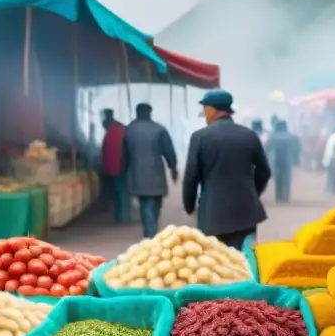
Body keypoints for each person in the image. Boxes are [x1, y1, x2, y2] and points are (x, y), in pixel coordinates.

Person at [183, 90, 271, 249]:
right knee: (243, 261)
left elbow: (191, 177)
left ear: (212, 110)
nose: (204, 115)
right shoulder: (249, 135)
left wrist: (189, 205)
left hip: (213, 214)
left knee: (216, 263)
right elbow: (265, 172)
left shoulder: (200, 137)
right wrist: (251, 193)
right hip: (246, 213)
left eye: (205, 110)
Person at [122, 103, 178, 238]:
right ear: (150, 112)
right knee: (154, 203)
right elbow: (168, 151)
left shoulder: (129, 130)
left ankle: (150, 232)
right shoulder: (159, 129)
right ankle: (151, 234)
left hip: (137, 174)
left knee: (145, 204)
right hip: (156, 173)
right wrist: (173, 167)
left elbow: (124, 155)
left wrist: (125, 173)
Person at [100, 109, 128, 223]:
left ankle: (121, 216)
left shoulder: (114, 131)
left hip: (116, 166)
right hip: (120, 166)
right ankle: (121, 215)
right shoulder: (121, 129)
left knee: (119, 192)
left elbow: (107, 151)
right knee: (120, 191)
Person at [265, 120, 300, 204]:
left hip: (276, 160)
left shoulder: (272, 137)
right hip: (287, 160)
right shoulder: (293, 137)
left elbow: (266, 148)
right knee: (287, 178)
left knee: (278, 179)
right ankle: (286, 196)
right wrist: (296, 160)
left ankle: (279, 196)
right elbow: (296, 149)